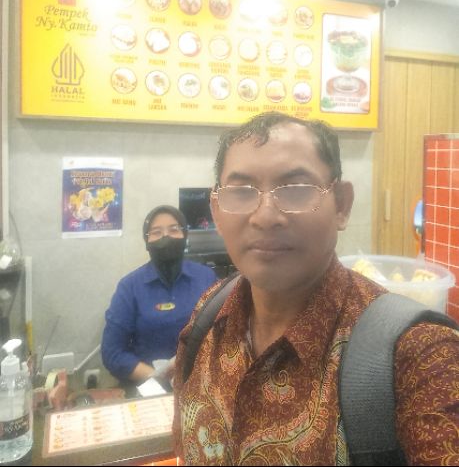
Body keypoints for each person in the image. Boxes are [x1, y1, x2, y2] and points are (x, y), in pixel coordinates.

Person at [172, 111, 459, 466]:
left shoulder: (419, 355)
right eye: (242, 191)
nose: (265, 216)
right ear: (216, 211)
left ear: (341, 205)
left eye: (296, 189)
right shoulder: (208, 317)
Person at [101, 205, 217, 394]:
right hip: (149, 388)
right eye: (156, 232)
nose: (166, 238)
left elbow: (224, 333)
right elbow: (112, 353)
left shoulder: (206, 278)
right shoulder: (130, 287)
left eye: (174, 229)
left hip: (201, 386)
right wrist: (161, 377)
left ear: (184, 235)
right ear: (146, 241)